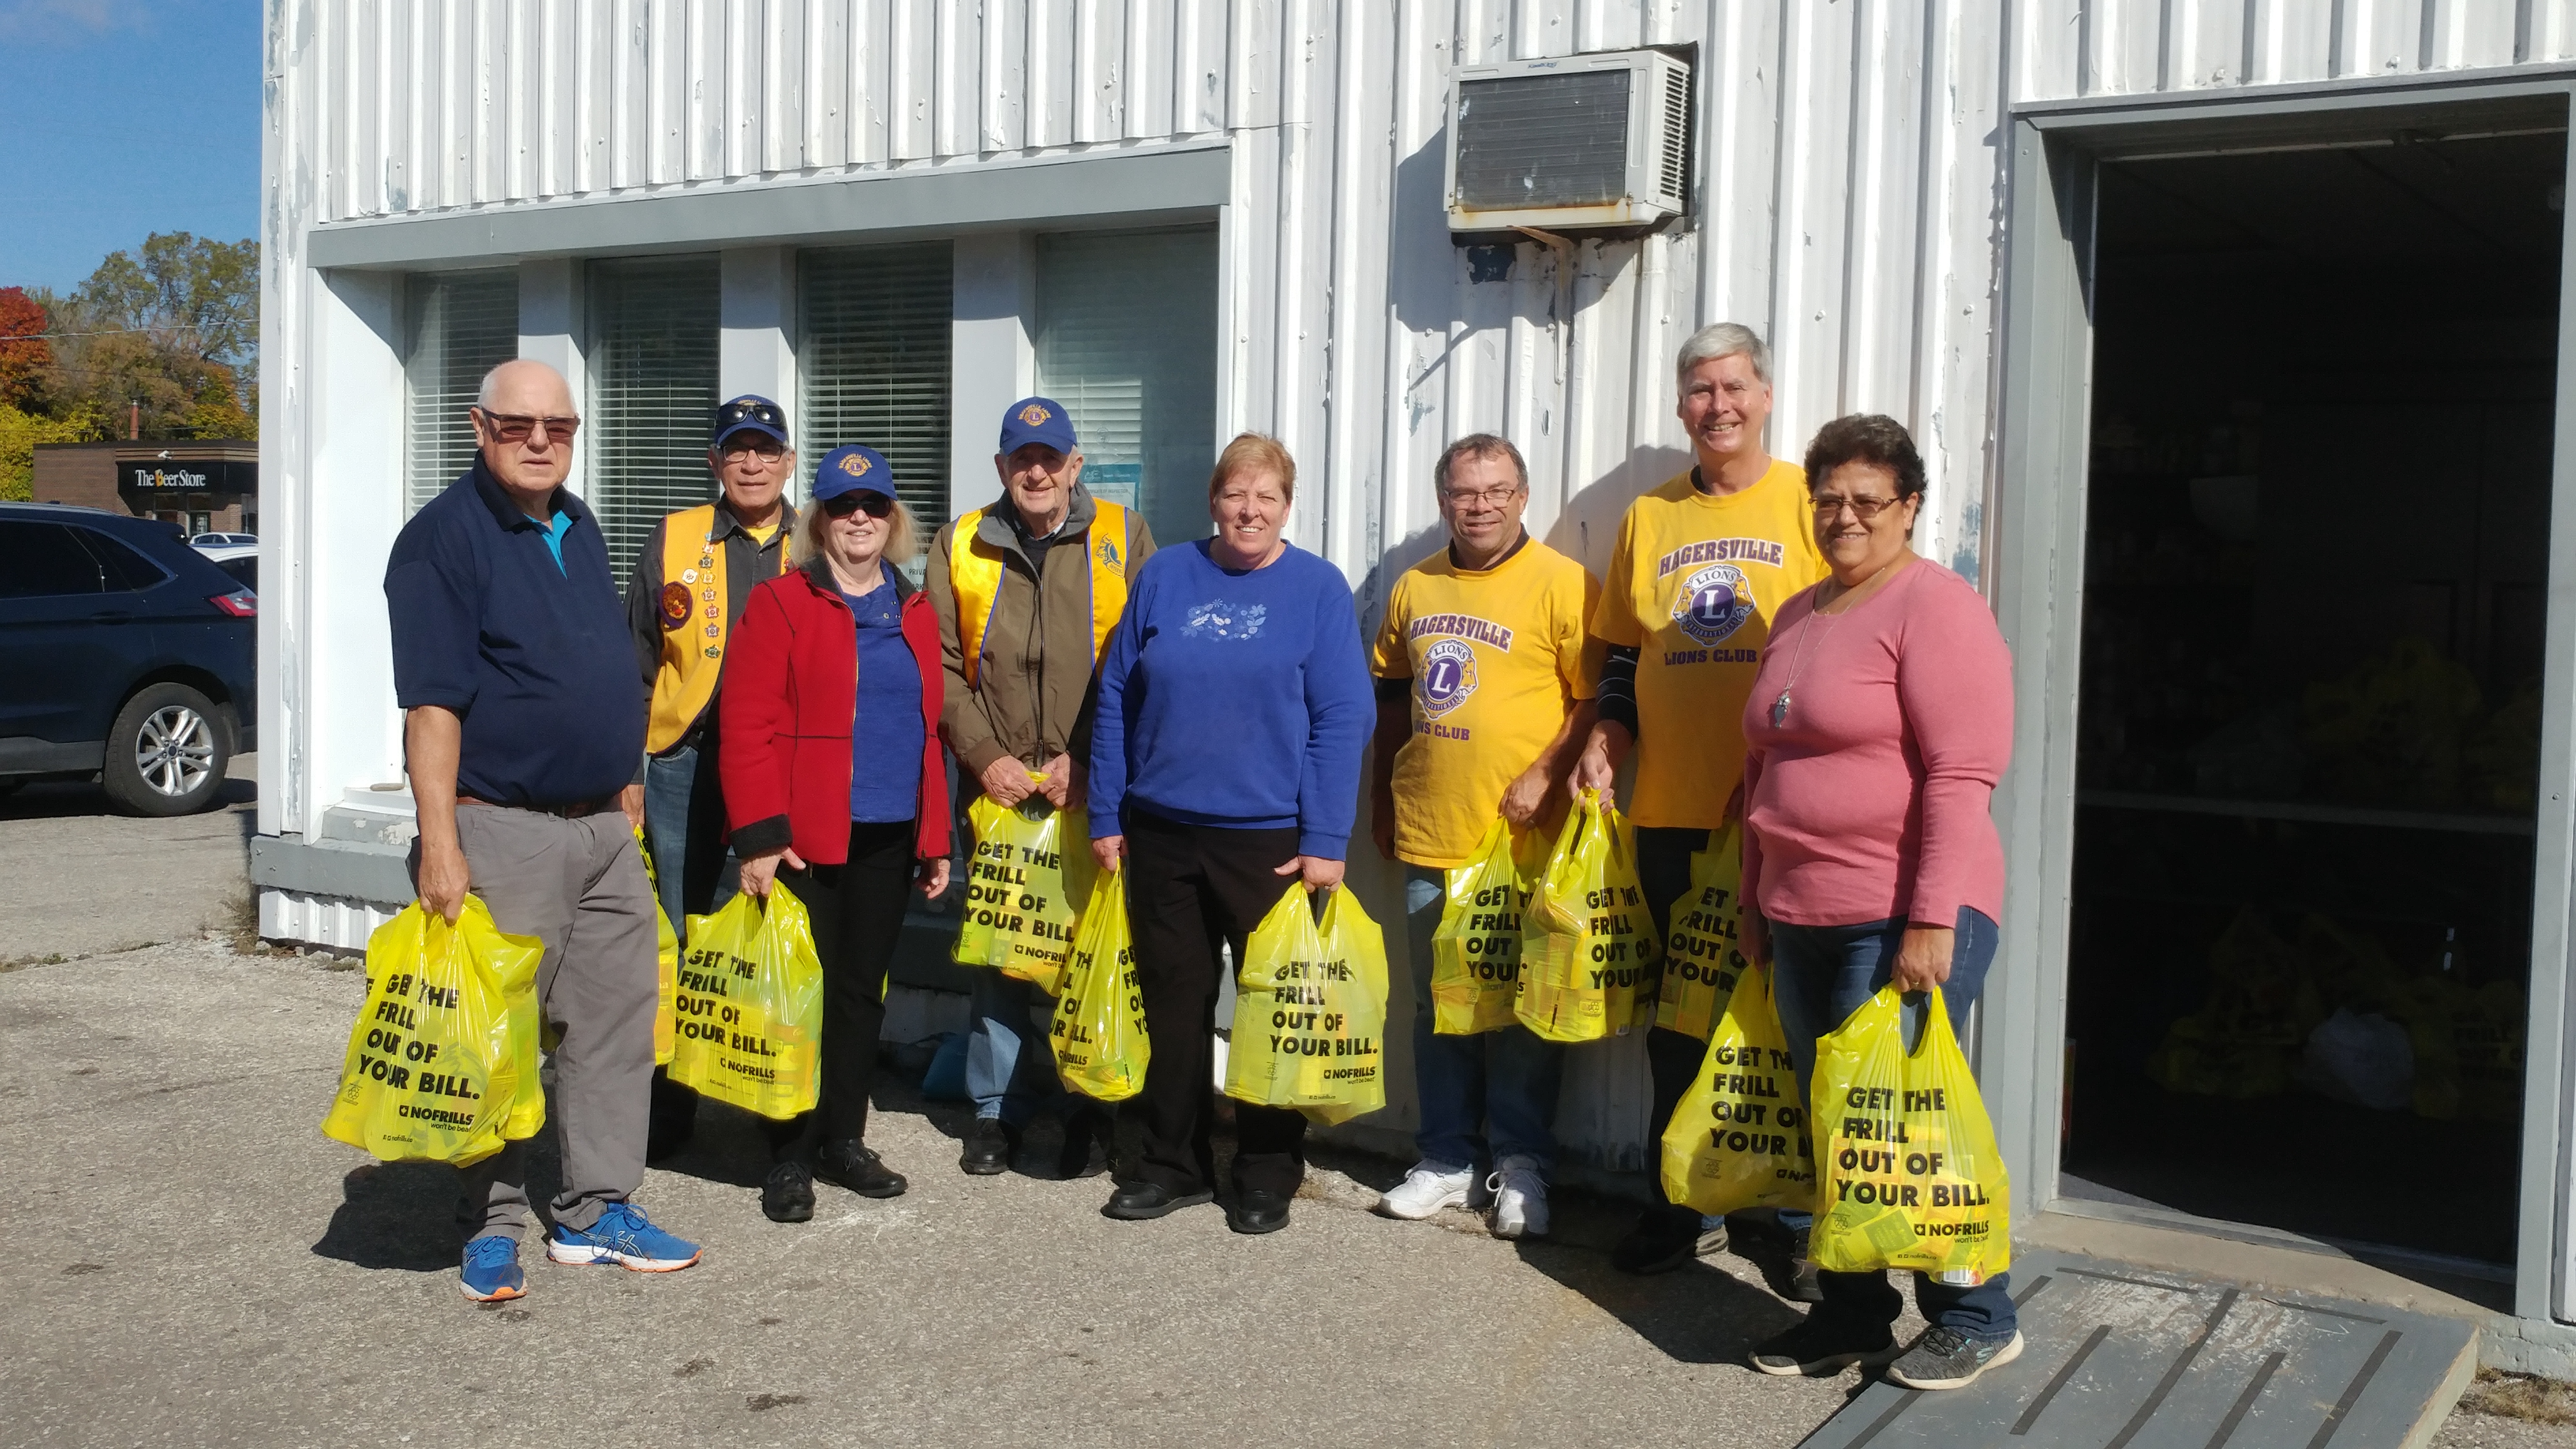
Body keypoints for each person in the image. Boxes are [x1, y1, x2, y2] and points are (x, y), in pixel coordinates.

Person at [384, 358, 701, 1303]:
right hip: (502, 831)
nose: (538, 441)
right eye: (518, 425)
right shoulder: (442, 540)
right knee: (500, 1038)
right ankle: (491, 1220)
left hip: (601, 826)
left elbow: (597, 665)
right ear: (479, 428)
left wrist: (623, 783)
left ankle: (596, 1210)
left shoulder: (577, 521)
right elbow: (433, 707)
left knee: (610, 1025)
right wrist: (440, 843)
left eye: (556, 427)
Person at [1738, 413, 2020, 1390]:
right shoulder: (1797, 614)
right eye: (1828, 499)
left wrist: (1933, 917)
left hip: (1898, 911)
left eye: (1866, 500)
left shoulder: (1935, 610)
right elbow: (1760, 769)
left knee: (1903, 1127)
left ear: (1908, 507)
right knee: (1834, 1126)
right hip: (1799, 911)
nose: (1843, 516)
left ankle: (1976, 1313)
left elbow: (1961, 773)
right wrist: (1751, 898)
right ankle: (1852, 1314)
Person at [1568, 322, 1829, 1280]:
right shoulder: (1650, 517)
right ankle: (1679, 1208)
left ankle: (1795, 1228)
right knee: (1680, 1023)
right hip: (1670, 813)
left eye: (1733, 387)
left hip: (1780, 817)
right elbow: (1630, 653)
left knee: (1791, 1020)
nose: (1717, 406)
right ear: (1681, 407)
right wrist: (1608, 732)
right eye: (1698, 391)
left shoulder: (1810, 501)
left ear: (1764, 394)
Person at [1087, 434, 1373, 1235]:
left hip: (1271, 842)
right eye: (1235, 495)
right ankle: (1173, 1162)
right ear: (1213, 500)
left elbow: (1342, 717)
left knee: (1269, 1007)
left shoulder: (1316, 588)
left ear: (1288, 506)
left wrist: (1326, 838)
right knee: (1174, 1005)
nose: (1250, 511)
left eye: (1267, 498)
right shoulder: (1165, 575)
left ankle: (1267, 1168)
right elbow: (1115, 697)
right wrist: (1107, 812)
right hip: (1164, 831)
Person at [1366, 434, 1598, 1240]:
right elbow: (1392, 698)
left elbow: (1594, 701)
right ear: (1443, 501)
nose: (1481, 506)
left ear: (1523, 496)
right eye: (1466, 492)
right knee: (1442, 1006)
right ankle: (1446, 1159)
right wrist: (1379, 800)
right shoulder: (1415, 587)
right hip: (1434, 830)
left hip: (1527, 840)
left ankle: (1525, 1165)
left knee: (1530, 1006)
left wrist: (1545, 770)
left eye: (1498, 490)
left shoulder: (1564, 586)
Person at [721, 444, 954, 1224]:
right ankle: (787, 1153)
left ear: (893, 521)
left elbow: (929, 731)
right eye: (846, 506)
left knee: (860, 994)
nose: (861, 518)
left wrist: (936, 837)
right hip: (802, 836)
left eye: (875, 507)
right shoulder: (783, 603)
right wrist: (757, 835)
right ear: (819, 519)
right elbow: (745, 723)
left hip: (889, 832)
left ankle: (843, 1140)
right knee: (797, 998)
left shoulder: (914, 608)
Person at [925, 397, 1157, 1177]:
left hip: (1090, 787)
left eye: (1050, 458)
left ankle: (1086, 1103)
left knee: (1088, 951)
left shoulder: (1125, 537)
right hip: (997, 790)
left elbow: (1144, 665)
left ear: (1075, 465)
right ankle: (995, 1112)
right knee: (1000, 955)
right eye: (1022, 458)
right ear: (1001, 468)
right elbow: (942, 664)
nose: (1037, 471)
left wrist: (1091, 759)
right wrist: (982, 752)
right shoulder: (962, 541)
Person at [624, 394, 802, 1161]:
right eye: (738, 451)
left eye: (767, 450)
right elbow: (632, 662)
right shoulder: (675, 537)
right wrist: (623, 771)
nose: (753, 464)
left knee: (775, 927)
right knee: (677, 933)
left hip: (781, 767)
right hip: (683, 765)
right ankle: (672, 1105)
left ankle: (776, 1109)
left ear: (789, 462)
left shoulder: (823, 539)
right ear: (715, 463)